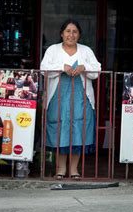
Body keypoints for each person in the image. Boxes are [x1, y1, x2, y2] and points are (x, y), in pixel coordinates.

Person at [40, 19, 101, 180]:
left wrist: (84, 67)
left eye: (74, 32)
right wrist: (62, 67)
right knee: (60, 130)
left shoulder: (86, 51)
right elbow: (43, 69)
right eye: (68, 31)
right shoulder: (53, 50)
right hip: (58, 98)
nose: (71, 35)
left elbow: (97, 70)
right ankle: (60, 170)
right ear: (62, 34)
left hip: (81, 99)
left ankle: (74, 170)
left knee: (78, 131)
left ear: (79, 35)